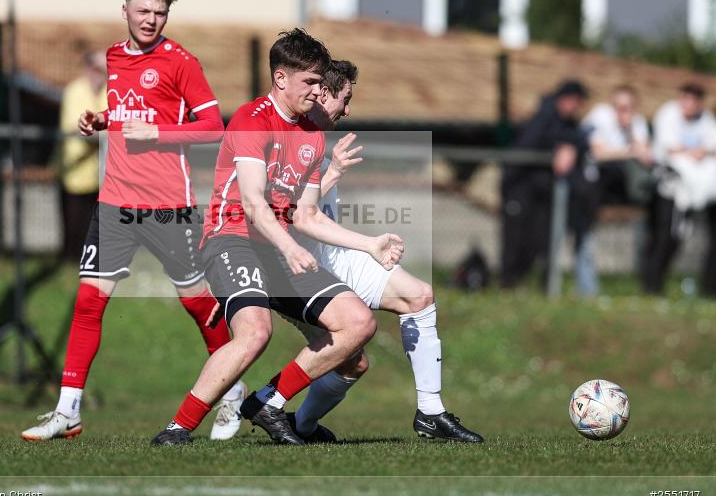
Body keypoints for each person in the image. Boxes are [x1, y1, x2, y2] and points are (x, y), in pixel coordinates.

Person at [150, 29, 403, 446]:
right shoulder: (252, 119)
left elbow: (306, 214)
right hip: (231, 239)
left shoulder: (311, 136)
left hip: (277, 247)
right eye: (310, 82)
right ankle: (177, 429)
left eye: (322, 83)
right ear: (281, 79)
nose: (318, 91)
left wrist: (369, 244)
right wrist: (289, 246)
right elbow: (251, 202)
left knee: (357, 324)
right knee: (255, 331)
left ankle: (268, 401)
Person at [22, 0, 245, 442]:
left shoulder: (181, 61)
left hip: (168, 205)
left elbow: (212, 128)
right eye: (144, 11)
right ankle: (68, 410)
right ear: (125, 10)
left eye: (160, 13)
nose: (151, 20)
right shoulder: (114, 57)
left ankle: (231, 389)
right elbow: (132, 112)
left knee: (195, 301)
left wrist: (159, 134)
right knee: (88, 302)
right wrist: (102, 119)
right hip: (115, 202)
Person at [283, 59, 483, 442]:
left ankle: (431, 413)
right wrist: (333, 174)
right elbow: (288, 214)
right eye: (346, 98)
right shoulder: (290, 135)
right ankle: (287, 415)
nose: (348, 109)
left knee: (419, 295)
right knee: (353, 362)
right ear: (324, 95)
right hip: (299, 269)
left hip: (335, 257)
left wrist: (370, 247)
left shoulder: (317, 137)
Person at [500, 79, 590, 290]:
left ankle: (526, 283)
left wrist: (569, 148)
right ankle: (508, 284)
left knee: (539, 241)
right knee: (516, 239)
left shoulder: (568, 124)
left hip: (542, 194)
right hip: (520, 189)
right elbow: (527, 149)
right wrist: (556, 152)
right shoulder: (543, 118)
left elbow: (578, 141)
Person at [576, 85, 654, 295]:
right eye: (618, 107)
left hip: (623, 187)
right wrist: (630, 150)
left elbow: (647, 157)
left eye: (627, 108)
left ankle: (650, 285)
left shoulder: (636, 124)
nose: (622, 112)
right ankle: (587, 288)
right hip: (593, 183)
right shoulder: (600, 116)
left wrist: (630, 134)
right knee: (584, 233)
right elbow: (599, 153)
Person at [642, 83, 716, 295]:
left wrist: (695, 152)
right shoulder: (668, 114)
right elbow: (670, 148)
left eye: (695, 99)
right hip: (668, 188)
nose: (690, 104)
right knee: (665, 236)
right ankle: (652, 284)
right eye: (687, 98)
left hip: (694, 191)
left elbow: (710, 148)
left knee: (679, 237)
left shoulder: (706, 120)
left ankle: (708, 288)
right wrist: (694, 152)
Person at [59, 50, 108, 261]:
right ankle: (71, 263)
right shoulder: (75, 91)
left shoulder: (108, 92)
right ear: (88, 69)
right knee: (73, 225)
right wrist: (101, 134)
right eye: (98, 69)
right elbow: (78, 129)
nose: (102, 75)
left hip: (102, 173)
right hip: (75, 171)